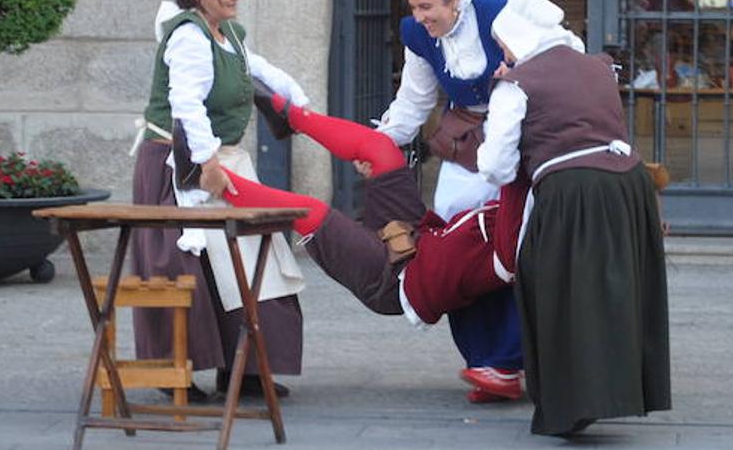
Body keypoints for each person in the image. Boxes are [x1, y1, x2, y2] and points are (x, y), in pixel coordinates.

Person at [476, 0, 671, 437]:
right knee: (612, 296)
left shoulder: (517, 84)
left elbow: (495, 167)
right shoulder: (598, 68)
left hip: (572, 193)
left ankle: (569, 407)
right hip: (629, 186)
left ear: (516, 39)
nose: (502, 54)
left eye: (503, 44)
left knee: (557, 294)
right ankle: (617, 392)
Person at [170, 87, 523, 331]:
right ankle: (290, 116)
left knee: (311, 213)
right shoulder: (519, 195)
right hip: (418, 236)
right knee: (382, 150)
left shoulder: (515, 238)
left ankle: (206, 177)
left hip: (397, 281)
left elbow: (504, 260)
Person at [131, 0, 308, 399]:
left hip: (219, 160)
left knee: (246, 260)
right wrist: (207, 162)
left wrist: (299, 103)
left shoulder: (226, 32)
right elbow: (185, 104)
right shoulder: (188, 38)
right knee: (185, 267)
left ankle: (244, 369)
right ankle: (175, 378)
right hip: (179, 165)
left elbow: (259, 70)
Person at [375, 0, 525, 403]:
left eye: (427, 6)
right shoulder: (418, 36)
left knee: (513, 251)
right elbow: (414, 102)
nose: (420, 16)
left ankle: (510, 359)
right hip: (465, 151)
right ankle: (481, 359)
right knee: (455, 249)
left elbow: (557, 63)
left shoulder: (505, 16)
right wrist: (380, 142)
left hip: (516, 144)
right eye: (414, 7)